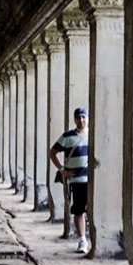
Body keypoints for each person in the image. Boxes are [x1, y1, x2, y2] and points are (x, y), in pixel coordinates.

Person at [49, 107, 89, 253]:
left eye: (83, 117)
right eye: (78, 118)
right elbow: (52, 153)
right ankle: (82, 241)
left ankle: (90, 238)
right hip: (77, 179)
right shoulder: (67, 137)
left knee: (90, 210)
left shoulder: (93, 134)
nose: (81, 120)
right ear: (74, 119)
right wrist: (61, 170)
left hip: (92, 180)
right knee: (79, 211)